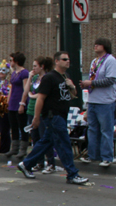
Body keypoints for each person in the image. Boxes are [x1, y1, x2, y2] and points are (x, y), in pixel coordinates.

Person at [17, 51, 90, 185]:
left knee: (47, 141)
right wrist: (36, 117)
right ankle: (72, 174)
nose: (67, 61)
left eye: (68, 59)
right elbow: (40, 98)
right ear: (56, 61)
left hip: (62, 114)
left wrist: (72, 86)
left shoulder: (65, 77)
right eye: (64, 59)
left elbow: (73, 95)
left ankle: (26, 164)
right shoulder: (49, 77)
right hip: (53, 115)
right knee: (64, 143)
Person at [80, 38, 116, 167]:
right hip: (93, 100)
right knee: (92, 130)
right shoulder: (94, 61)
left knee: (105, 130)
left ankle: (106, 157)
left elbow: (110, 80)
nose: (95, 46)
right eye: (95, 44)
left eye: (99, 44)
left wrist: (91, 83)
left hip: (105, 101)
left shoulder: (110, 60)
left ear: (105, 46)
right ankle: (93, 155)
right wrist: (87, 84)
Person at [26, 57, 57, 174]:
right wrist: (30, 77)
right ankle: (39, 162)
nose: (33, 68)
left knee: (44, 137)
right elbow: (27, 91)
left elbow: (41, 95)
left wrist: (34, 95)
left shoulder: (47, 78)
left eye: (35, 66)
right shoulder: (34, 78)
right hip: (31, 109)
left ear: (42, 66)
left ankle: (51, 163)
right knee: (35, 137)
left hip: (42, 111)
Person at [5, 52, 30, 158]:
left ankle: (23, 149)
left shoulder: (24, 73)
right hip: (13, 103)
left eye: (11, 60)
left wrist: (22, 103)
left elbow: (25, 89)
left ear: (16, 61)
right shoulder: (14, 73)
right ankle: (14, 148)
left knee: (22, 126)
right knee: (13, 126)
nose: (10, 62)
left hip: (20, 102)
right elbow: (11, 88)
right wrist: (8, 101)